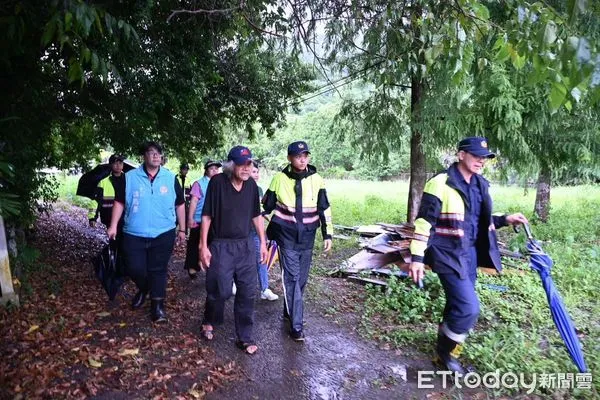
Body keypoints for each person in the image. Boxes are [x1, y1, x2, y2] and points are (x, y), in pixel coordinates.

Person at [408, 136, 528, 373]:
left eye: (484, 158)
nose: (481, 161)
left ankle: (443, 350)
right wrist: (417, 258)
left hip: (470, 255)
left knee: (456, 304)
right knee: (468, 308)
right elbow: (424, 223)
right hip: (446, 254)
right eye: (476, 156)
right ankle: (446, 354)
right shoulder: (441, 183)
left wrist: (505, 219)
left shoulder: (480, 185)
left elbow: (477, 222)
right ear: (461, 155)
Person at [107, 141, 186, 323]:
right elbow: (119, 202)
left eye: (159, 152)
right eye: (151, 152)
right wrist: (112, 226)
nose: (156, 156)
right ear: (144, 156)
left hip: (163, 233)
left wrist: (182, 229)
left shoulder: (170, 178)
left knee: (158, 270)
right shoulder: (130, 177)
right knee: (134, 268)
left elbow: (180, 204)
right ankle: (145, 288)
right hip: (134, 233)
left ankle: (157, 307)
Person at [262, 141, 333, 341]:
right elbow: (266, 206)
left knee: (301, 280)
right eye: (298, 156)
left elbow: (324, 208)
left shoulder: (317, 179)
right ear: (289, 158)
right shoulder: (279, 179)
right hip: (286, 237)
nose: (302, 159)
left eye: (305, 155)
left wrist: (328, 234)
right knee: (292, 278)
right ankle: (297, 327)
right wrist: (261, 229)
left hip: (308, 237)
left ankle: (289, 309)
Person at [199, 146, 267, 355]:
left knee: (248, 291)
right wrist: (203, 245)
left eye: (249, 164)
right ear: (231, 165)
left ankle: (244, 337)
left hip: (246, 245)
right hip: (221, 244)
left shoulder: (252, 187)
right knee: (221, 289)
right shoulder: (217, 183)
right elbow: (207, 215)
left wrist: (262, 242)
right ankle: (210, 319)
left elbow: (256, 216)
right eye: (242, 164)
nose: (247, 168)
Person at [184, 160, 221, 280]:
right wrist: (190, 218)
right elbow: (193, 202)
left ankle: (208, 264)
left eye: (216, 168)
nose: (215, 170)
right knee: (194, 243)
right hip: (199, 219)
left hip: (215, 220)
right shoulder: (199, 184)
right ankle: (192, 266)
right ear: (206, 170)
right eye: (212, 168)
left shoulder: (220, 184)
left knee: (213, 244)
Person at [250, 161, 278, 301]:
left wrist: (268, 217)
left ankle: (264, 288)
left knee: (261, 258)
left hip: (256, 231)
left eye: (257, 172)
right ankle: (234, 282)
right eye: (253, 172)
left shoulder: (259, 190)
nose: (255, 175)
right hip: (241, 231)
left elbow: (259, 211)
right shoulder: (238, 188)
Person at [176, 163, 191, 228]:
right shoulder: (176, 178)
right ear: (181, 169)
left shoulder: (188, 179)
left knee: (185, 218)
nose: (186, 171)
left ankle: (184, 233)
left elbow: (190, 190)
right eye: (184, 169)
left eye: (187, 170)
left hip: (186, 202)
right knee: (176, 218)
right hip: (177, 202)